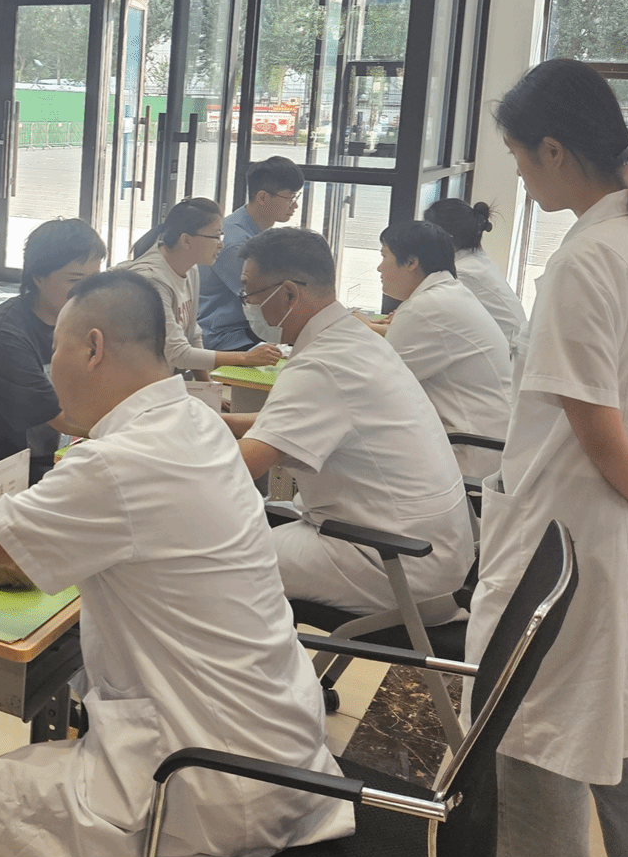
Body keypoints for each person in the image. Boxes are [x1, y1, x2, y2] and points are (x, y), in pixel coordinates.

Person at [0, 270, 354, 857]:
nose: (51, 369)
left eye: (55, 349)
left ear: (92, 347)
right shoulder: (195, 422)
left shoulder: (118, 462)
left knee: (0, 796)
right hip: (284, 745)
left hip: (213, 775)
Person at [465, 59, 628, 857]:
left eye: (517, 154)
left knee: (534, 738)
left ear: (552, 149)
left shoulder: (588, 260)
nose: (517, 173)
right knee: (622, 733)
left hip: (577, 542)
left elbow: (599, 431)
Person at [222, 228, 474, 622]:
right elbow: (296, 421)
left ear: (288, 294)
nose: (247, 305)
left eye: (249, 294)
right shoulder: (351, 338)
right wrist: (220, 422)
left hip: (393, 557)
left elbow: (236, 468)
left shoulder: (321, 364)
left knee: (210, 564)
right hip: (426, 548)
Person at [0, 217, 104, 501]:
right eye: (75, 280)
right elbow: (62, 419)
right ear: (38, 277)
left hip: (34, 455)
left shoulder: (74, 322)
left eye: (94, 280)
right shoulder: (5, 335)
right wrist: (128, 431)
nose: (87, 291)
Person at [377, 219, 513, 478]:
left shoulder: (425, 308)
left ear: (411, 262)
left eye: (384, 256)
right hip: (489, 440)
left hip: (471, 449)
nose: (379, 267)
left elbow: (379, 384)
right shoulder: (447, 294)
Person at [118, 197, 283, 377]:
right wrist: (245, 358)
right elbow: (178, 353)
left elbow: (193, 333)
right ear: (186, 240)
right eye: (215, 236)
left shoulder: (190, 268)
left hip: (166, 378)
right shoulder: (152, 280)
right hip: (136, 381)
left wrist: (207, 386)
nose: (221, 244)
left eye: (221, 236)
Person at [198, 155, 303, 348]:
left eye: (296, 197)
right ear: (263, 197)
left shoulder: (257, 231)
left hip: (250, 330)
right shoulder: (235, 243)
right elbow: (268, 300)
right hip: (226, 336)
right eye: (290, 197)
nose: (295, 205)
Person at [425, 197, 527, 357]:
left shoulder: (463, 273)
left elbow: (435, 325)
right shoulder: (475, 262)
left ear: (443, 237)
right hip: (512, 351)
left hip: (510, 356)